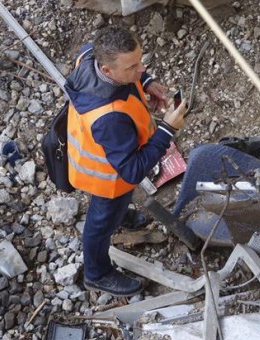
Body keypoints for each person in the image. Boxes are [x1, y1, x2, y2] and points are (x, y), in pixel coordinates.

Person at [64, 25, 187, 297]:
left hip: (107, 155)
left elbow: (122, 67)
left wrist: (144, 81)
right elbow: (131, 171)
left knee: (115, 211)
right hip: (107, 179)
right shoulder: (110, 118)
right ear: (108, 71)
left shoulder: (89, 57)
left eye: (140, 60)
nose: (140, 67)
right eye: (132, 67)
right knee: (100, 224)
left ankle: (122, 217)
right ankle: (96, 274)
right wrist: (167, 130)